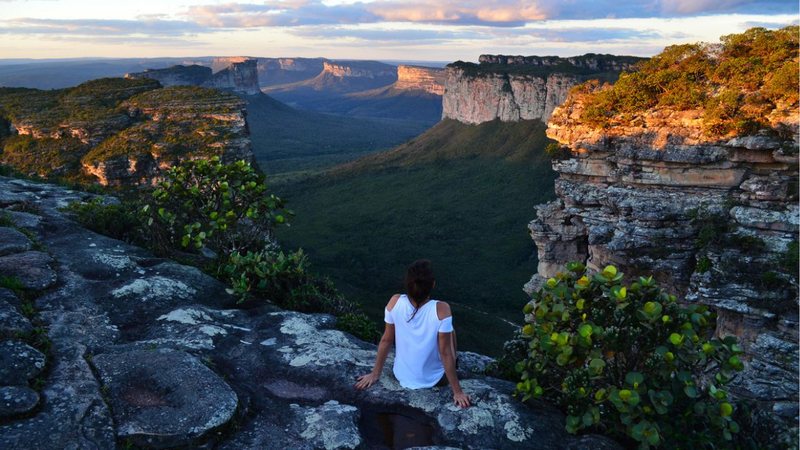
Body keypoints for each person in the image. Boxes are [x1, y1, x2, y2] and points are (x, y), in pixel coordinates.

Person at [354, 259, 471, 408]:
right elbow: (445, 352)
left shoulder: (394, 302)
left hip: (401, 374)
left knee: (441, 330)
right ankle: (455, 364)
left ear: (407, 284)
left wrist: (375, 374)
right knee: (450, 331)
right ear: (433, 284)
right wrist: (457, 392)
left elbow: (386, 340)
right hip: (434, 379)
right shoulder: (442, 309)